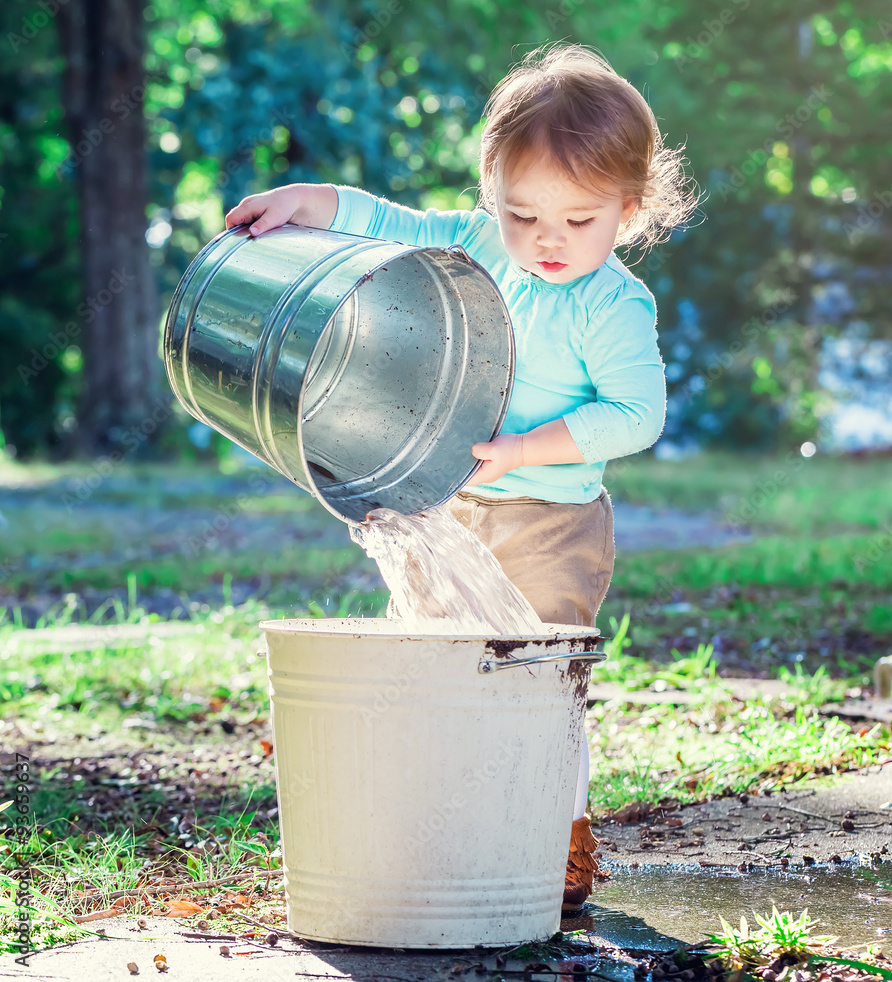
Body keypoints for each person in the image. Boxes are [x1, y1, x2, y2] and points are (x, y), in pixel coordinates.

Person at [226, 43, 697, 913]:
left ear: (629, 211)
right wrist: (309, 203)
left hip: (553, 522)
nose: (546, 241)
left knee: (536, 682)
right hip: (451, 503)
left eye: (579, 220)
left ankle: (555, 835)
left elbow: (638, 415)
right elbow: (388, 222)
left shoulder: (611, 305)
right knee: (435, 668)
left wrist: (525, 449)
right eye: (522, 214)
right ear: (492, 196)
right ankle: (443, 827)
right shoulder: (476, 246)